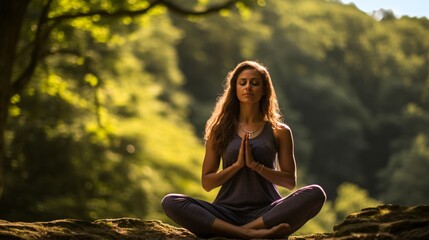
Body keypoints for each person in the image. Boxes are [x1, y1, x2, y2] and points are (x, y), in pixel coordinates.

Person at [162, 60, 326, 239]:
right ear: (235, 89)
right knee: (171, 202)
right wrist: (237, 166)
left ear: (264, 90)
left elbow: (289, 182)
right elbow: (207, 183)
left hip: (267, 212)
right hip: (225, 212)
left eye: (255, 83)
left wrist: (256, 166)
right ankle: (246, 233)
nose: (248, 87)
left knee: (316, 193)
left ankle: (245, 230)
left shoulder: (280, 131)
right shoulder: (219, 129)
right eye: (243, 83)